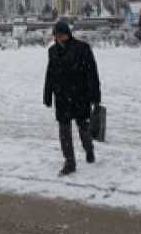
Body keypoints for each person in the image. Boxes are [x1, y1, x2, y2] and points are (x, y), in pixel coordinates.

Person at [43, 20, 101, 176]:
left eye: (61, 35)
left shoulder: (82, 48)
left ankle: (89, 149)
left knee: (83, 126)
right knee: (64, 131)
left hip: (79, 95)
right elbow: (50, 75)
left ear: (67, 34)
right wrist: (48, 95)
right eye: (56, 35)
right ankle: (70, 162)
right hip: (61, 96)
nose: (58, 38)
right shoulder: (52, 51)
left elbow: (92, 74)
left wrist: (95, 96)